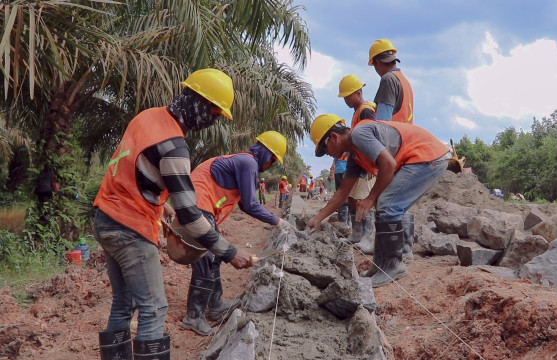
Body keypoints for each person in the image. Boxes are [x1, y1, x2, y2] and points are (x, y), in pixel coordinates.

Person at [92, 69, 254, 360]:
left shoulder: (149, 116)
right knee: (154, 308)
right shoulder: (175, 146)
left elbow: (136, 172)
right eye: (214, 114)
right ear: (200, 104)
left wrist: (161, 207)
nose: (212, 122)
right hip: (131, 230)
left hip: (106, 217)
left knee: (123, 303)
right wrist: (229, 252)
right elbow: (191, 214)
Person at [306, 114, 450, 288]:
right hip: (420, 158)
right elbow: (343, 191)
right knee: (385, 203)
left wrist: (370, 198)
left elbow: (388, 164)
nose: (327, 154)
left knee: (388, 205)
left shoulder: (359, 134)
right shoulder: (355, 157)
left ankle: (394, 266)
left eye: (325, 149)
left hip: (428, 157)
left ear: (334, 137)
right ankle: (381, 265)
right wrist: (318, 218)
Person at [182, 131, 296, 335]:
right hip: (197, 205)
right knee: (205, 259)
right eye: (273, 161)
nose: (271, 165)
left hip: (200, 204)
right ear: (268, 155)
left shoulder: (244, 163)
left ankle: (215, 305)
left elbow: (244, 203)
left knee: (214, 257)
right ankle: (193, 317)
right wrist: (277, 221)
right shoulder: (248, 163)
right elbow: (251, 204)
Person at [336, 74, 378, 252]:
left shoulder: (366, 110)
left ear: (359, 93)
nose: (346, 100)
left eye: (348, 96)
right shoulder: (357, 111)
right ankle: (357, 234)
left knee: (362, 199)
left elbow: (371, 138)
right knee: (352, 198)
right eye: (344, 97)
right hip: (358, 161)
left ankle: (368, 238)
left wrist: (371, 162)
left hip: (366, 162)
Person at [368, 39, 414, 124]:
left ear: (378, 63)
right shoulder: (404, 81)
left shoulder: (388, 79)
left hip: (392, 136)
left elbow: (382, 123)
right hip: (405, 136)